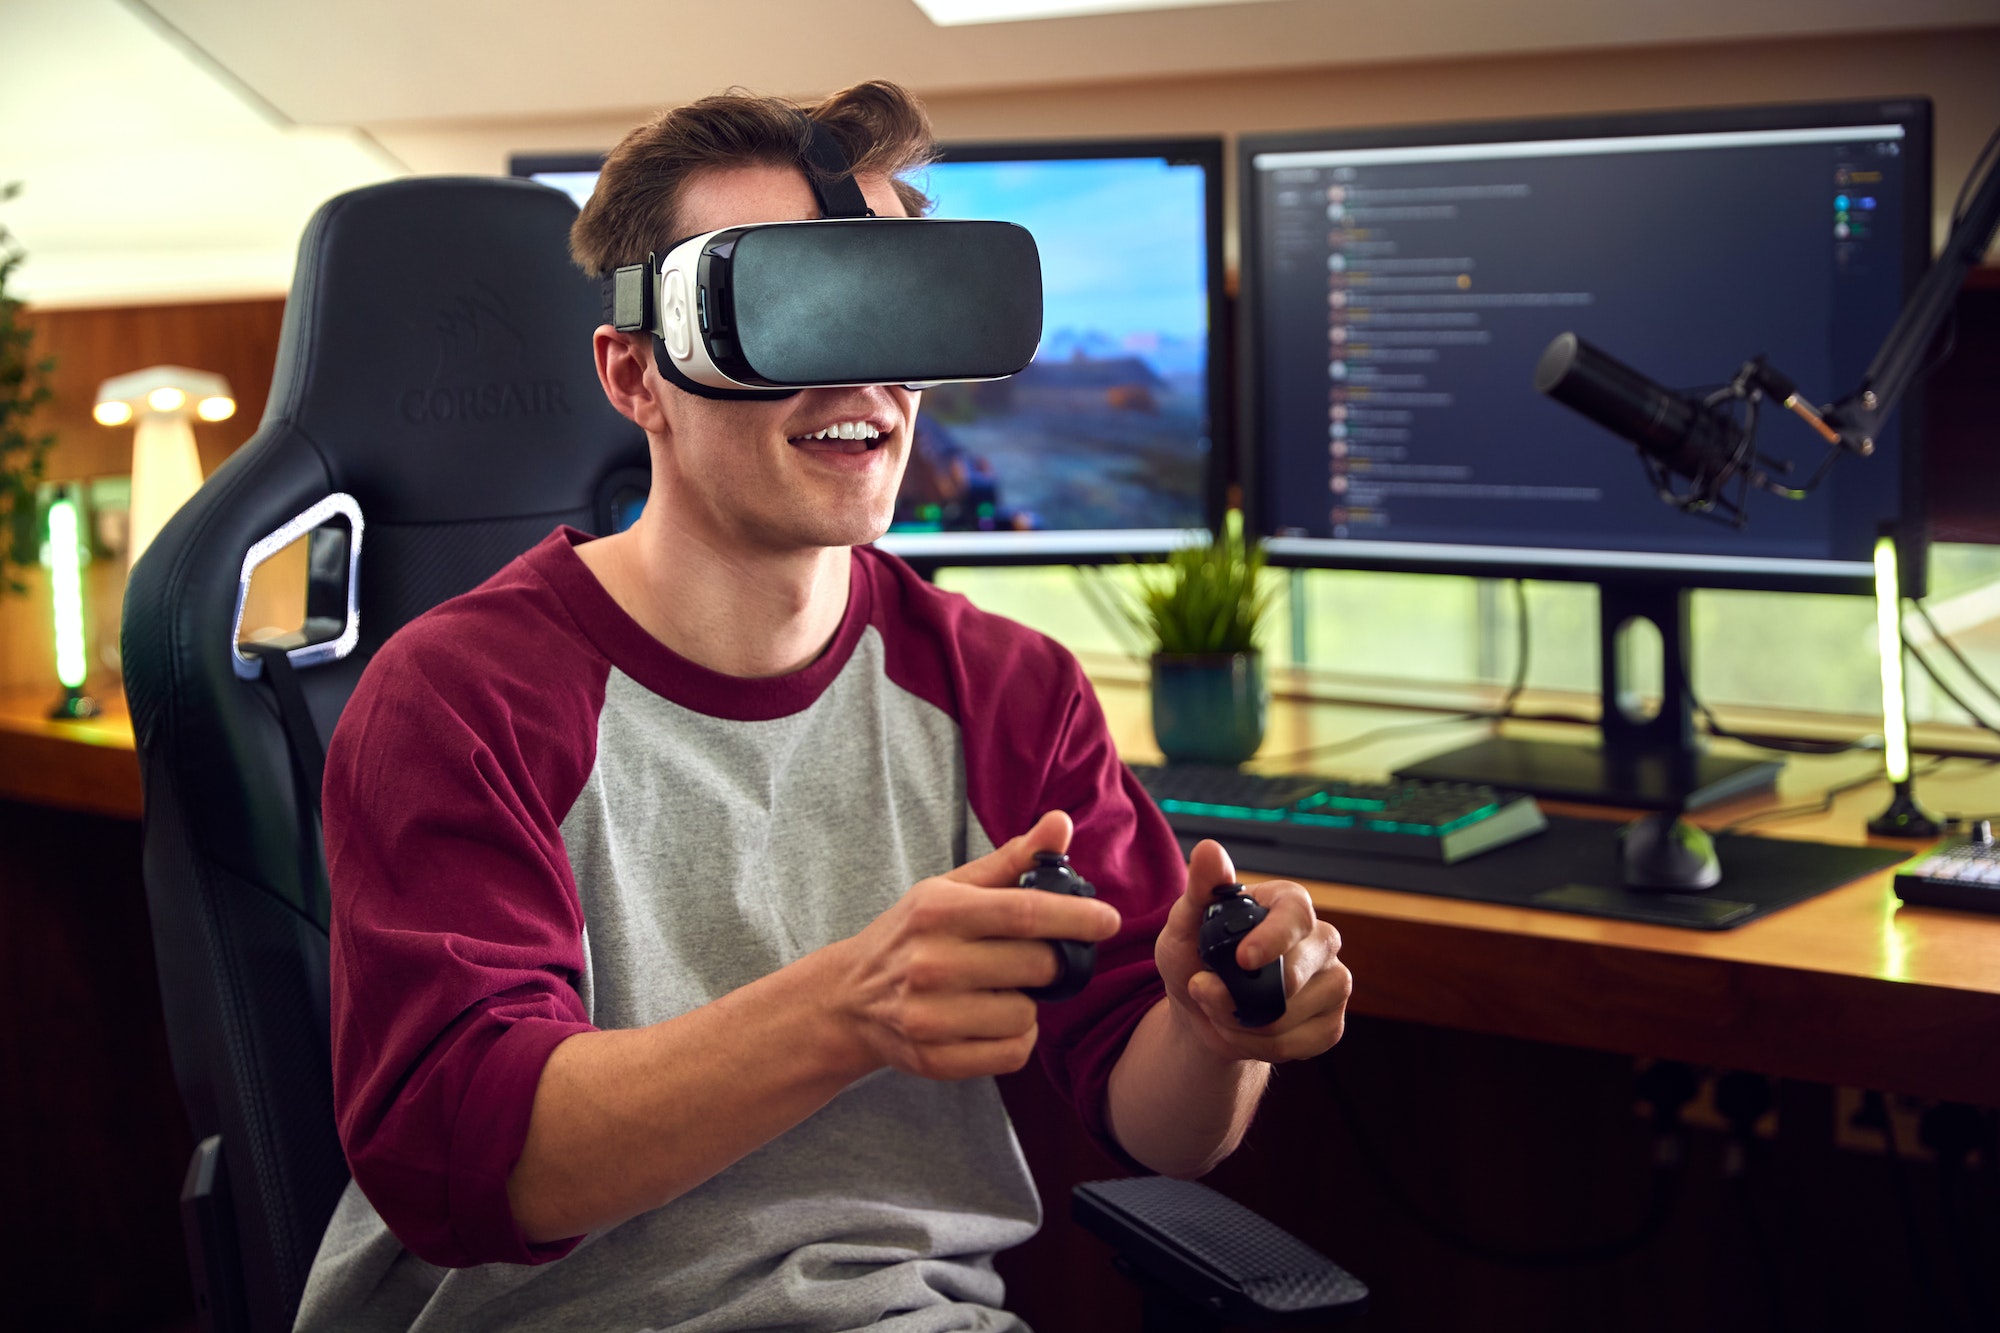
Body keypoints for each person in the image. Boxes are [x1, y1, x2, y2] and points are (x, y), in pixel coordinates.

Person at [298, 80, 1352, 1332]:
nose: (862, 378)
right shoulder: (461, 696)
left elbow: (1162, 1125)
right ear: (635, 374)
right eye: (788, 314)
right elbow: (464, 1167)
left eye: (892, 312)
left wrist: (1216, 1027)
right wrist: (848, 1008)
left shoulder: (1008, 691)